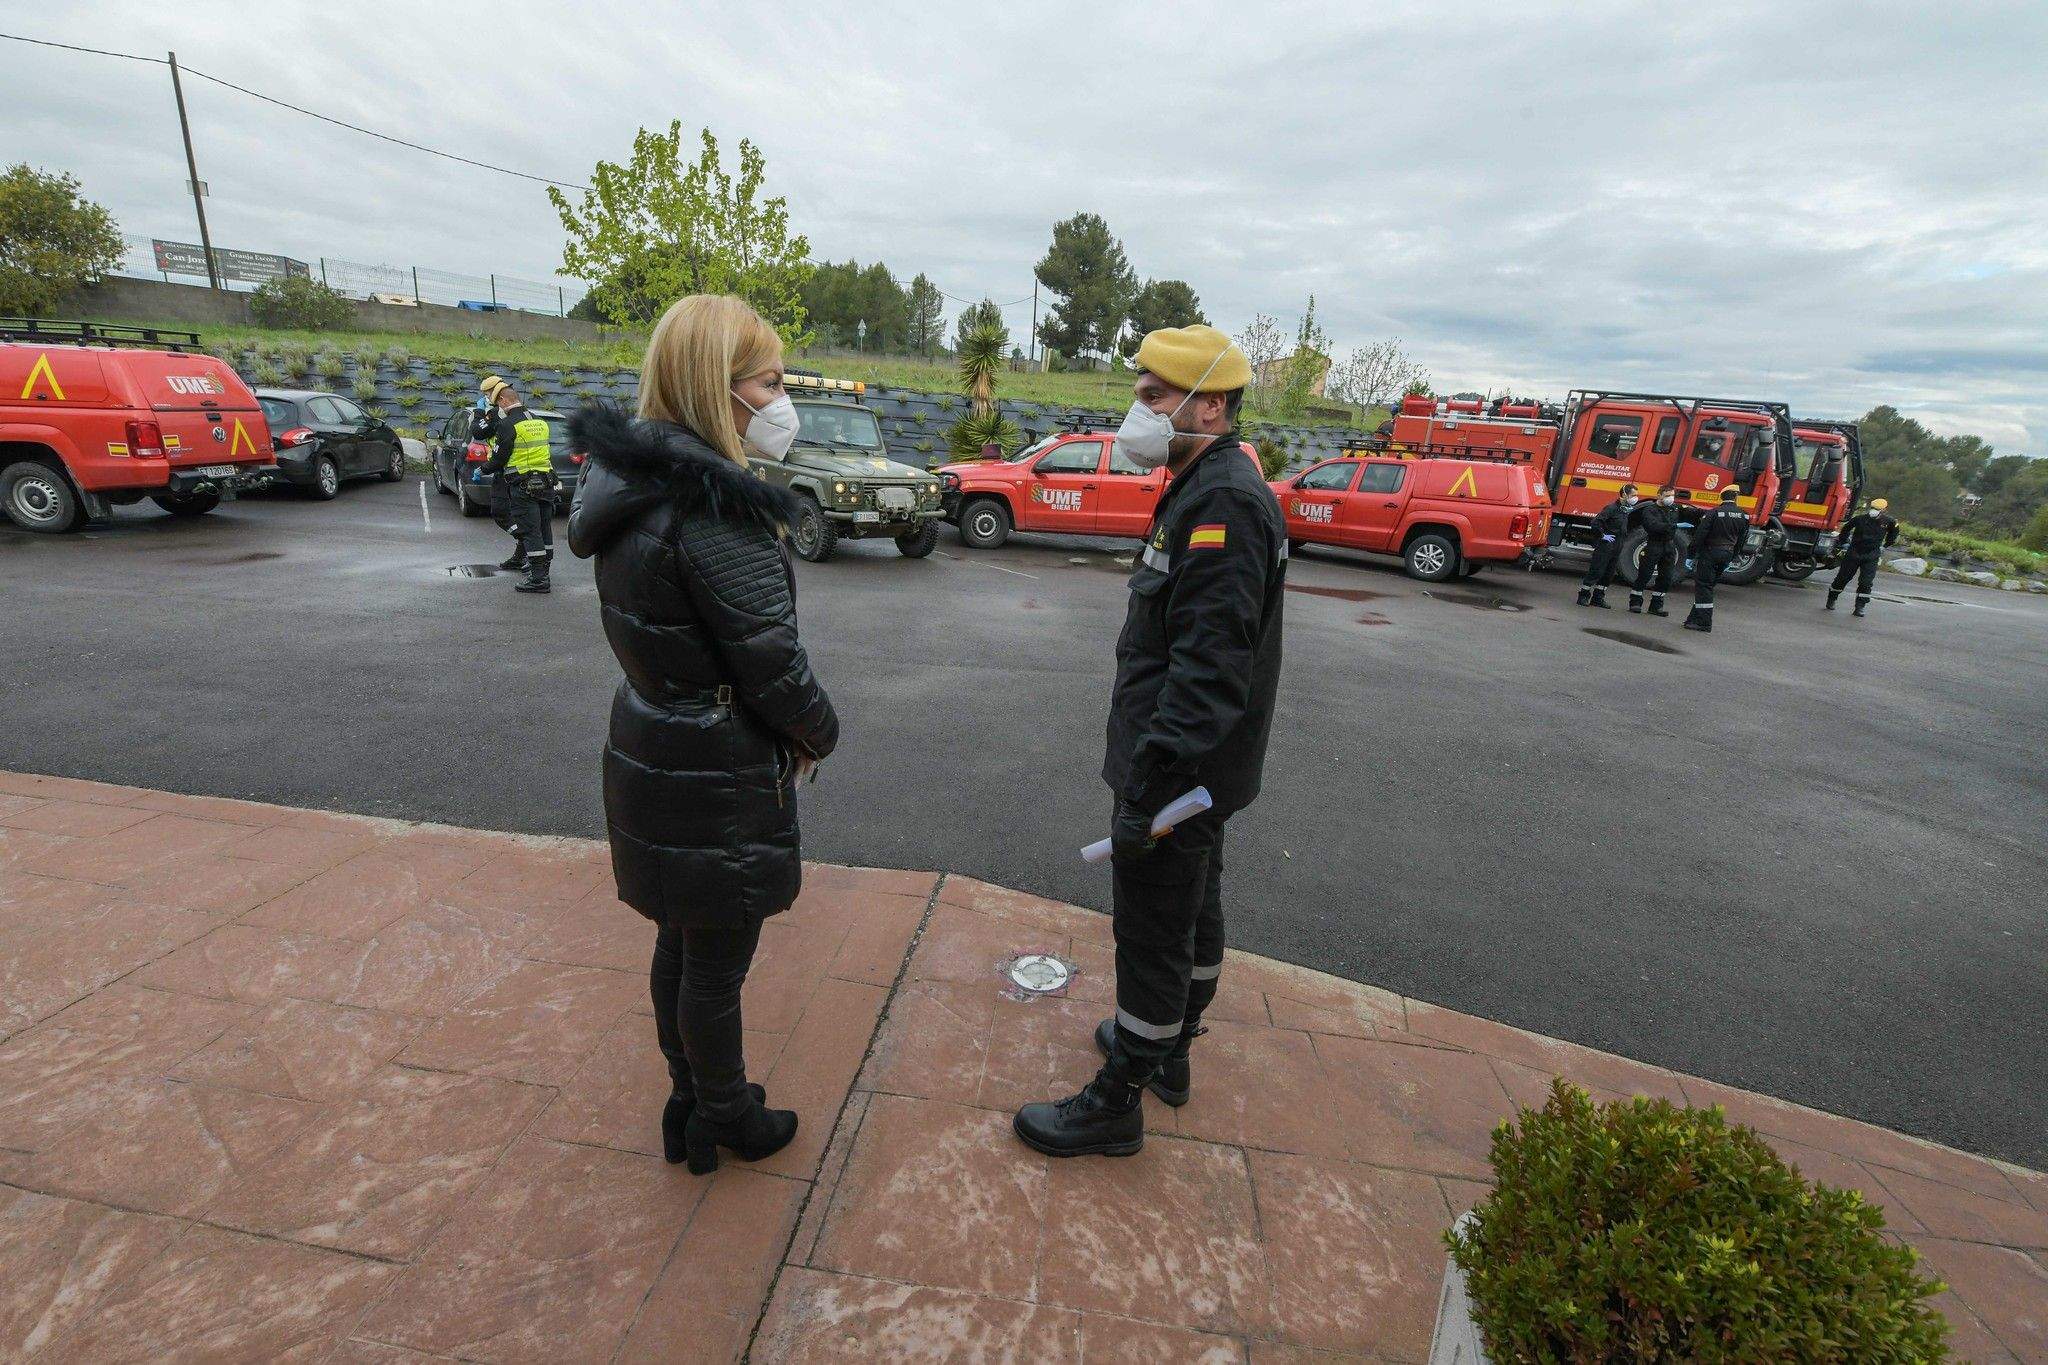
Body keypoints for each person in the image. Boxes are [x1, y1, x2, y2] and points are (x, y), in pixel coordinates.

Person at [566, 294, 837, 1175]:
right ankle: (725, 1115)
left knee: (680, 943)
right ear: (718, 391)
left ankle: (688, 1102)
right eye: (769, 380)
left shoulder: (632, 487)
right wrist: (820, 732)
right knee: (716, 962)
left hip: (655, 743)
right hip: (714, 764)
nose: (781, 397)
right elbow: (774, 667)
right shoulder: (716, 509)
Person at [1013, 324, 1286, 1159]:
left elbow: (1206, 669)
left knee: (1154, 928)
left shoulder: (1224, 502)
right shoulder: (1207, 482)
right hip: (1199, 770)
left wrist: (1147, 786)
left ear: (1210, 403)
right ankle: (1169, 1052)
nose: (1138, 409)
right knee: (1195, 907)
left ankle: (1120, 1095)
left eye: (1153, 396)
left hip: (1178, 772)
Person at [479, 377, 556, 594]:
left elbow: (499, 458)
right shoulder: (540, 422)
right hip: (546, 482)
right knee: (544, 528)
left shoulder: (506, 425)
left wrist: (483, 469)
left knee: (530, 531)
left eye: (497, 403)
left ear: (503, 400)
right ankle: (544, 571)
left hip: (523, 485)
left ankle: (539, 579)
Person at [470, 378, 520, 571]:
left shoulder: (497, 413)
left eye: (486, 393)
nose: (485, 397)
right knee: (519, 514)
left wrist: (478, 412)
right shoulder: (518, 410)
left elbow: (477, 431)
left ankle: (523, 541)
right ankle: (523, 549)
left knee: (500, 512)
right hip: (517, 470)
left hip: (505, 470)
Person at [1684, 486, 1750, 632]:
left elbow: (1700, 536)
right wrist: (1732, 557)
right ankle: (1693, 618)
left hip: (1710, 553)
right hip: (1727, 554)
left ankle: (1704, 623)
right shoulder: (1744, 515)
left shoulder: (1714, 513)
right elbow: (1742, 539)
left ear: (1721, 497)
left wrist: (1690, 555)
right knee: (1708, 586)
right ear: (1736, 497)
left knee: (1704, 587)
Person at [1828, 496, 1900, 617]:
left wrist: (1885, 545)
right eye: (1873, 508)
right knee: (1842, 578)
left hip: (1871, 555)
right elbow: (1846, 529)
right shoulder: (1860, 519)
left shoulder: (1890, 522)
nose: (1874, 510)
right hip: (1854, 553)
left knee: (1866, 583)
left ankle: (1860, 607)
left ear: (1884, 510)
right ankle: (1832, 598)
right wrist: (1844, 542)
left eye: (1877, 509)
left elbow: (1894, 533)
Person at [1576, 484, 1636, 608]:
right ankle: (1583, 595)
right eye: (1633, 495)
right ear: (1624, 495)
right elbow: (1596, 522)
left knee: (1608, 574)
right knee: (1596, 571)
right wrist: (1602, 535)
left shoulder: (1625, 511)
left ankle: (1598, 598)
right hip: (1606, 546)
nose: (1635, 498)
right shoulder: (1612, 508)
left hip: (1616, 547)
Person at [1627, 486, 1682, 616]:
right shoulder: (1649, 510)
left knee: (1666, 577)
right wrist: (1670, 527)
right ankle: (1635, 602)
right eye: (1668, 495)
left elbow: (1669, 528)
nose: (1671, 498)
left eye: (1672, 495)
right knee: (1645, 574)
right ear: (1659, 496)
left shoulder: (1673, 509)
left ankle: (1656, 606)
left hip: (1669, 546)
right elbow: (1652, 526)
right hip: (1654, 544)